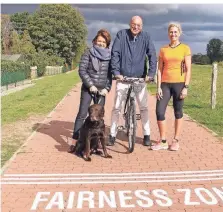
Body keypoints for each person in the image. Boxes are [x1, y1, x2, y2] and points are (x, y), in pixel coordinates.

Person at [107, 15, 157, 146]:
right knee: (116, 107)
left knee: (144, 107)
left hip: (139, 78)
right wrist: (116, 72)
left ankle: (147, 134)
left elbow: (152, 55)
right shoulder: (121, 35)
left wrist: (151, 74)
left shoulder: (146, 37)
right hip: (123, 78)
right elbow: (115, 54)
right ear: (130, 24)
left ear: (142, 26)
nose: (136, 27)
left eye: (139, 25)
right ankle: (112, 134)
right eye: (134, 24)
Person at [68, 29, 112, 153]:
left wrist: (107, 88)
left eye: (104, 42)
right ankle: (74, 142)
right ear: (95, 41)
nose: (101, 43)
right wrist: (90, 85)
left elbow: (110, 74)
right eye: (99, 41)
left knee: (99, 117)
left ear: (107, 43)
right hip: (88, 88)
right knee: (82, 115)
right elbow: (82, 70)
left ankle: (95, 143)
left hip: (101, 90)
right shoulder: (88, 53)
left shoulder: (109, 56)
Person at [151, 22, 192, 151]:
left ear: (179, 33)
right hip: (165, 84)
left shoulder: (185, 48)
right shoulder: (163, 50)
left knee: (178, 111)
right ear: (168, 33)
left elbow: (189, 69)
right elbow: (159, 69)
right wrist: (158, 87)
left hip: (179, 84)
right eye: (171, 32)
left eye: (175, 32)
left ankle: (176, 140)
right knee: (159, 111)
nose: (173, 34)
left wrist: (186, 87)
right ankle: (163, 140)